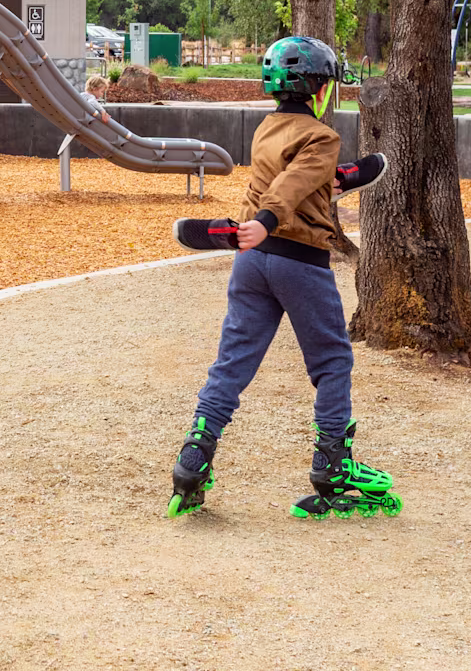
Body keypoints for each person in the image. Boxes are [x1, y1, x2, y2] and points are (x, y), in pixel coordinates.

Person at [166, 35, 399, 520]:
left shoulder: (266, 129)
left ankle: (194, 457)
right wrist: (269, 219)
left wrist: (347, 177)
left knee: (232, 362)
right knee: (332, 360)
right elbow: (292, 186)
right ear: (318, 89)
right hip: (298, 260)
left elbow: (296, 178)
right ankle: (333, 463)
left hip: (252, 263)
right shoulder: (322, 135)